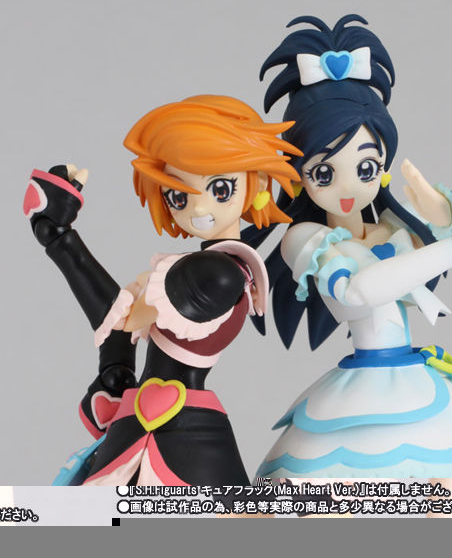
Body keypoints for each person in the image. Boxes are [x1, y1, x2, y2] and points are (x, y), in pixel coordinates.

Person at [244, 15, 452, 480]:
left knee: (451, 491)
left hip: (419, 378)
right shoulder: (305, 240)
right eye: (323, 172)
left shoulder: (401, 228)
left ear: (382, 166)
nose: (347, 188)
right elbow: (358, 292)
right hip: (359, 390)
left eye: (364, 168)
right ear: (298, 177)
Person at [24, 95, 301, 485]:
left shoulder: (218, 274)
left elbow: (123, 317)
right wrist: (116, 367)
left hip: (179, 428)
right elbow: (123, 322)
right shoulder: (204, 267)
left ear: (257, 185)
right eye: (179, 196)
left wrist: (59, 238)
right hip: (150, 416)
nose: (198, 208)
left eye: (220, 188)